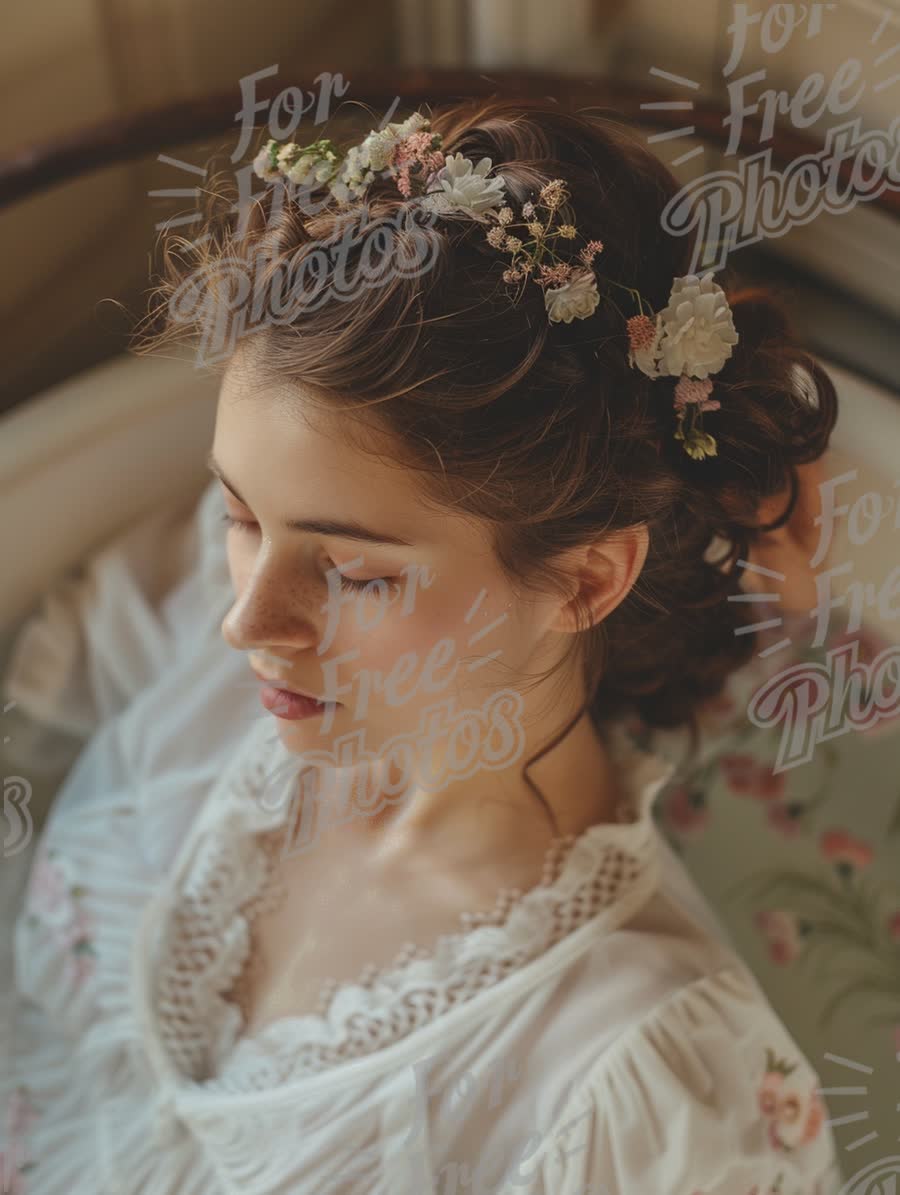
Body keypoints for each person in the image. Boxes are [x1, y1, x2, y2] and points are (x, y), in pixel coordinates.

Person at [0, 96, 844, 1193]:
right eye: (242, 516)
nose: (245, 621)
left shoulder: (637, 1096)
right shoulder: (218, 647)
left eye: (356, 573)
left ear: (587, 578)